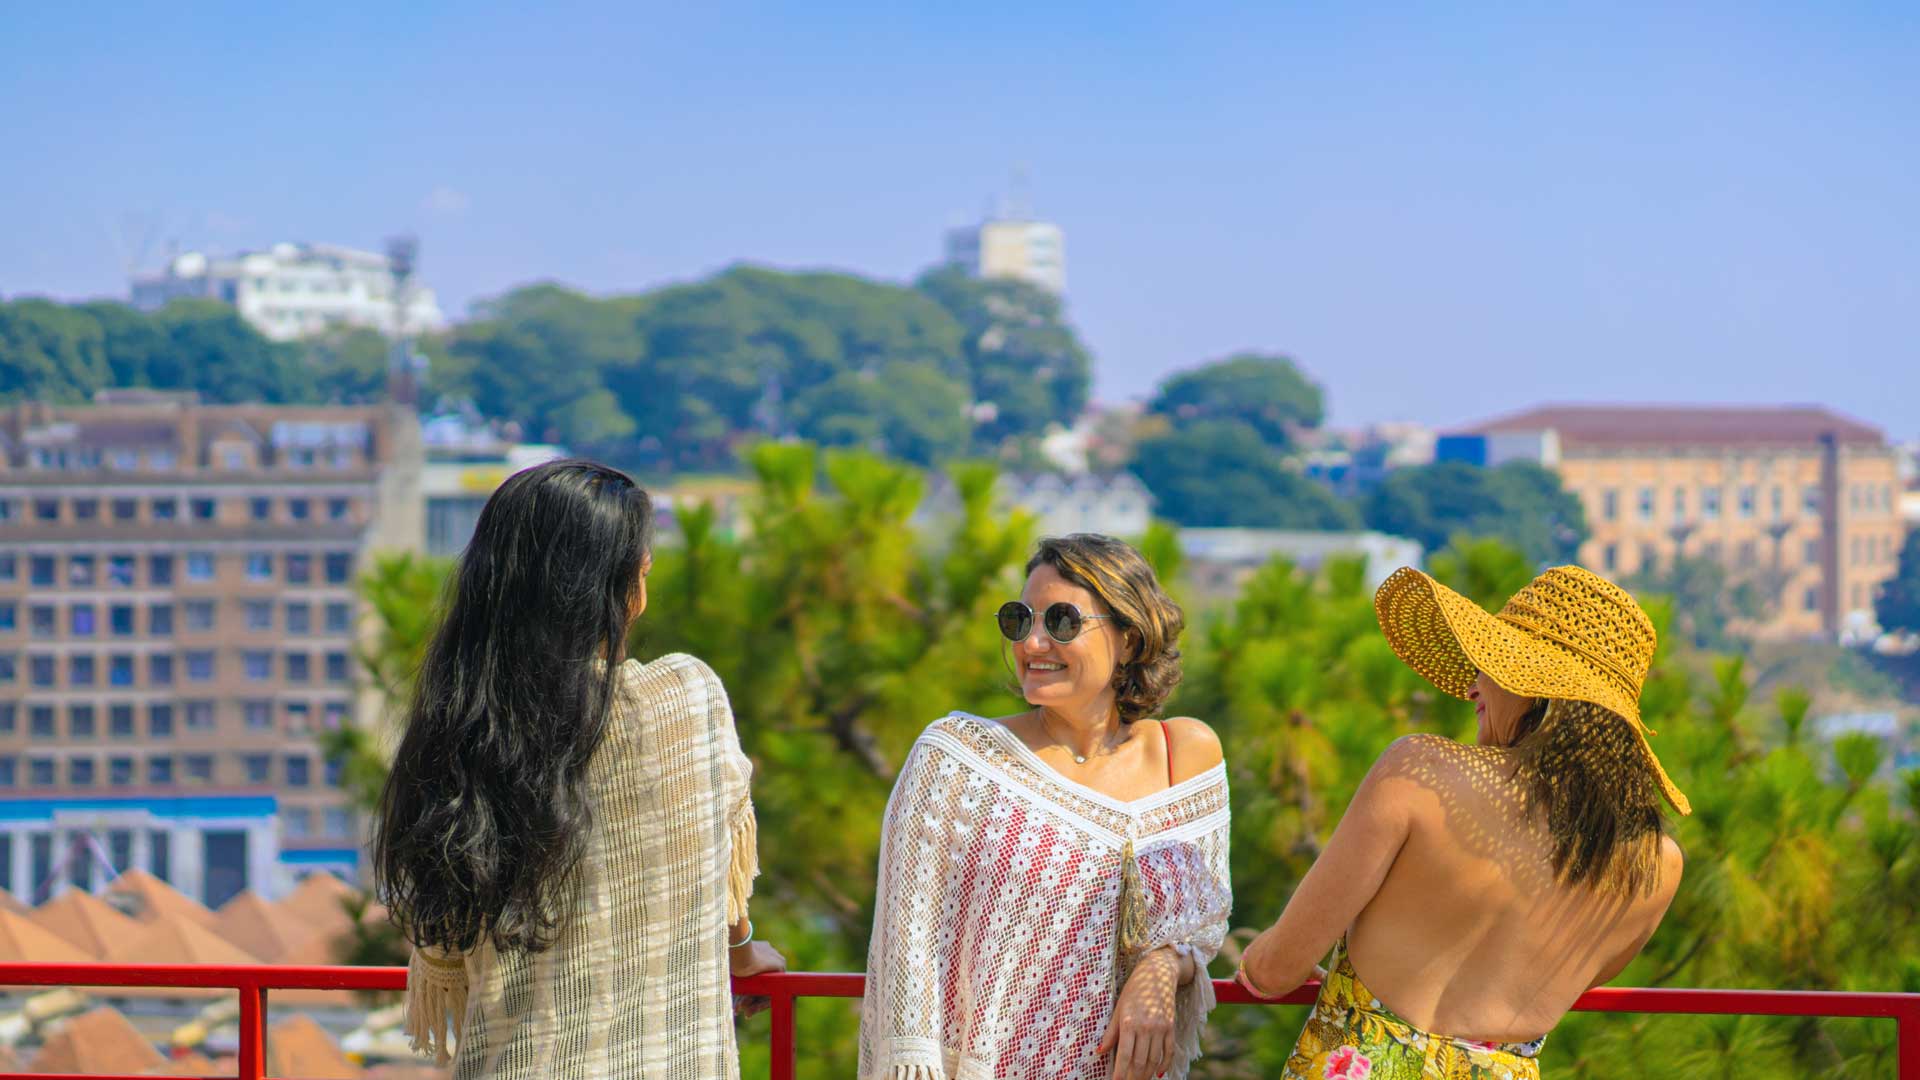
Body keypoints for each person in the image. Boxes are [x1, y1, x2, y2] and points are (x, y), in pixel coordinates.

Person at [371, 459, 785, 1078]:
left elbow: (447, 949)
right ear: (612, 592)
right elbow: (715, 873)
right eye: (639, 577)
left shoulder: (464, 729)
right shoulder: (685, 698)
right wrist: (743, 951)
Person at [1235, 565, 1689, 1080]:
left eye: (1492, 666)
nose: (1474, 686)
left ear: (1538, 686)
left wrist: (1253, 962)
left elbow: (1276, 971)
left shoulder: (1420, 770)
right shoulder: (1657, 864)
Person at [860, 534, 1232, 1080]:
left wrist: (1161, 965)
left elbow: (1203, 926)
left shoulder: (1186, 754)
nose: (1032, 643)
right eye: (1019, 620)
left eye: (1061, 622)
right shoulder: (958, 758)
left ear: (1129, 639)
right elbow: (908, 957)